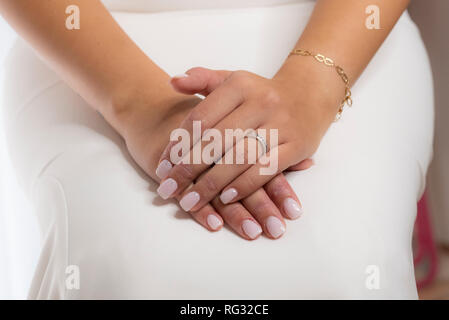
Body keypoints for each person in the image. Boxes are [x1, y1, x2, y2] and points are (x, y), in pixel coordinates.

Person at [0, 0, 433, 299]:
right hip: (84, 36)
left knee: (348, 269)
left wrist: (313, 87)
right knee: (126, 274)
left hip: (340, 30)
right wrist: (142, 105)